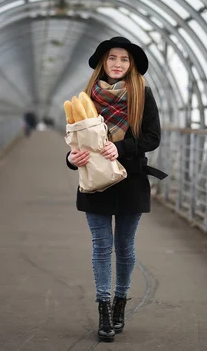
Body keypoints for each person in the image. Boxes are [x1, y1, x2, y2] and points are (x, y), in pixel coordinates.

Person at [65, 36, 167, 342]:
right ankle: (104, 310)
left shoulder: (143, 96)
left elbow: (152, 137)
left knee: (124, 246)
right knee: (101, 246)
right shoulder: (86, 98)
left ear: (131, 64)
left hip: (131, 180)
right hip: (95, 182)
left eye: (124, 59)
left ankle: (121, 302)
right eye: (112, 58)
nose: (118, 64)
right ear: (102, 63)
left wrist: (120, 148)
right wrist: (71, 159)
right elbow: (74, 140)